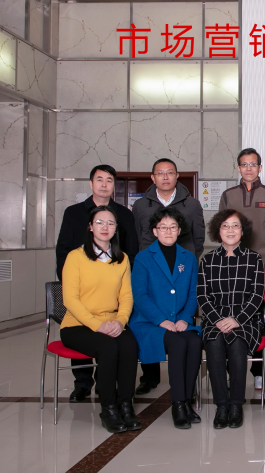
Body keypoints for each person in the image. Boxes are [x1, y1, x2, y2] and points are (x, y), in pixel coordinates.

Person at [56, 164, 139, 403]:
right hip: (81, 288)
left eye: (109, 180)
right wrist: (71, 282)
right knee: (90, 336)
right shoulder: (74, 213)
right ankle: (82, 384)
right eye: (99, 179)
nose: (104, 184)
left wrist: (121, 280)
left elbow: (131, 249)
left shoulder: (124, 215)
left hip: (112, 286)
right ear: (91, 183)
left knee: (119, 344)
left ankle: (107, 387)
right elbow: (63, 250)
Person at [60, 205, 141, 434]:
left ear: (116, 229)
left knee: (129, 345)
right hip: (77, 325)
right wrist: (98, 325)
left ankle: (125, 405)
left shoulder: (122, 259)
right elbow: (70, 299)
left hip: (113, 322)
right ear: (90, 227)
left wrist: (120, 321)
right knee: (108, 347)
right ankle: (109, 409)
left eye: (110, 223)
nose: (105, 227)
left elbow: (126, 296)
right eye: (99, 222)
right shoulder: (75, 257)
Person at [132, 158, 205, 396]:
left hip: (180, 268)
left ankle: (185, 395)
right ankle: (155, 381)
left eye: (170, 172)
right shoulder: (141, 205)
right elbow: (137, 235)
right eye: (160, 173)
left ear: (177, 176)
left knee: (190, 339)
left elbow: (198, 237)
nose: (165, 177)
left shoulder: (192, 204)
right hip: (153, 272)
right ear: (152, 177)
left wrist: (187, 259)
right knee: (173, 339)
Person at [130, 206, 202, 429]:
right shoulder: (143, 258)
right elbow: (140, 295)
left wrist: (185, 318)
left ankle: (187, 400)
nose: (168, 231)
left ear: (179, 230)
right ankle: (178, 404)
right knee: (178, 343)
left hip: (180, 320)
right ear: (155, 231)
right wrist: (162, 321)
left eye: (173, 227)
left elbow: (193, 294)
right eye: (163, 227)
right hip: (150, 323)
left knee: (195, 341)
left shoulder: (189, 258)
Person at [220, 148, 265, 390]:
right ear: (238, 168)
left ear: (260, 168)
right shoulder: (228, 195)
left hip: (263, 267)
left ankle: (260, 371)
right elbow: (223, 229)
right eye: (244, 164)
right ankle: (231, 371)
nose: (249, 168)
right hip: (234, 267)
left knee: (260, 319)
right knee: (232, 317)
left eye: (253, 164)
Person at [198, 210, 265, 429]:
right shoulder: (207, 260)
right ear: (218, 230)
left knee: (236, 343)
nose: (230, 230)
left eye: (235, 226)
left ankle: (236, 405)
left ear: (242, 231)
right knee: (214, 343)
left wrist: (237, 319)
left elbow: (257, 295)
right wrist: (218, 320)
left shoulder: (254, 259)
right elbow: (203, 296)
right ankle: (221, 405)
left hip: (245, 319)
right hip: (214, 319)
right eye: (225, 226)